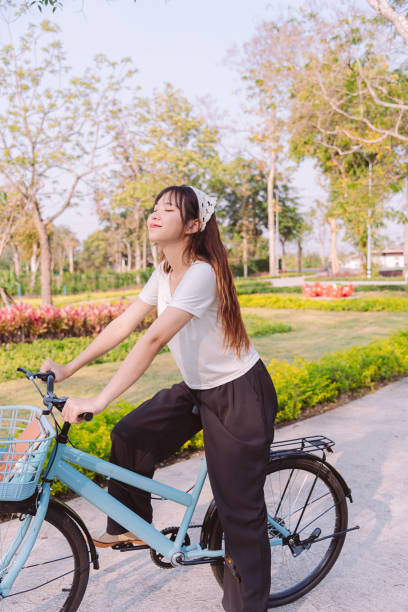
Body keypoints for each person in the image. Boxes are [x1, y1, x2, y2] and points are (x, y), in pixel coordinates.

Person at [41, 184, 278, 612]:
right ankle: (130, 526)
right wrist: (68, 368)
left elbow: (151, 340)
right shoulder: (165, 273)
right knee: (131, 433)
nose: (155, 214)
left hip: (239, 395)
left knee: (239, 513)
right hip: (198, 389)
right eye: (154, 208)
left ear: (192, 226)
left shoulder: (203, 273)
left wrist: (100, 399)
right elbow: (124, 325)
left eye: (168, 210)